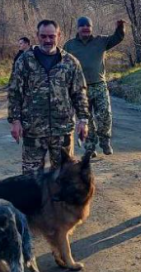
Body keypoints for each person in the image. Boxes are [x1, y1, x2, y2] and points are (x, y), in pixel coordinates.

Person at [8, 20, 90, 174]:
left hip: (62, 131)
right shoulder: (25, 61)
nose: (47, 40)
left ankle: (57, 200)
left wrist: (83, 120)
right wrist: (15, 121)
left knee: (64, 176)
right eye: (43, 36)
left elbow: (79, 93)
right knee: (31, 179)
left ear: (59, 36)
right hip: (33, 130)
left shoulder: (70, 62)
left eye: (51, 36)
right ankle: (34, 199)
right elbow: (14, 92)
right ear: (37, 36)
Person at [63, 17, 126, 157]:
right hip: (80, 89)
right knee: (86, 120)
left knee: (105, 115)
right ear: (78, 28)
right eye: (82, 26)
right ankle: (90, 147)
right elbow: (62, 64)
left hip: (99, 85)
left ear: (91, 27)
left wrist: (120, 27)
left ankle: (105, 141)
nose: (85, 28)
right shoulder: (70, 45)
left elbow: (118, 38)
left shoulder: (101, 41)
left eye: (88, 25)